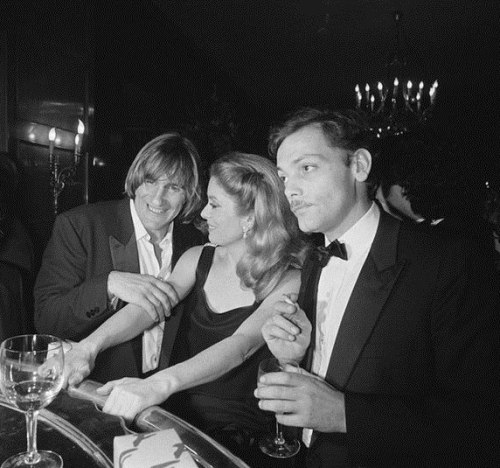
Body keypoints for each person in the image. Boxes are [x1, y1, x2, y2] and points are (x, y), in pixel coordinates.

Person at [255, 107, 500, 467]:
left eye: (306, 168)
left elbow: (480, 419)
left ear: (359, 166)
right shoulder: (313, 259)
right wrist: (294, 355)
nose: (290, 190)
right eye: (283, 176)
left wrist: (344, 414)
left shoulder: (446, 260)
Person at [62, 152, 309, 462]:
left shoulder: (288, 279)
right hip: (171, 409)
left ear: (251, 217)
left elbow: (240, 346)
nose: (203, 213)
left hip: (238, 428)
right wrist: (88, 347)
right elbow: (148, 307)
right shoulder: (196, 257)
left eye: (215, 205)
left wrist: (156, 384)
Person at [34, 132, 206, 382]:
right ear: (135, 180)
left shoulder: (194, 242)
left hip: (169, 395)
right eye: (150, 182)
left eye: (174, 187)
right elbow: (46, 320)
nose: (158, 198)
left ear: (189, 194)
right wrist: (109, 285)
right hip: (96, 391)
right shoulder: (80, 225)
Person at [373, 129, 496, 254]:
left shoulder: (454, 242)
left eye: (382, 182)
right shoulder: (467, 225)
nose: (377, 194)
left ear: (402, 186)